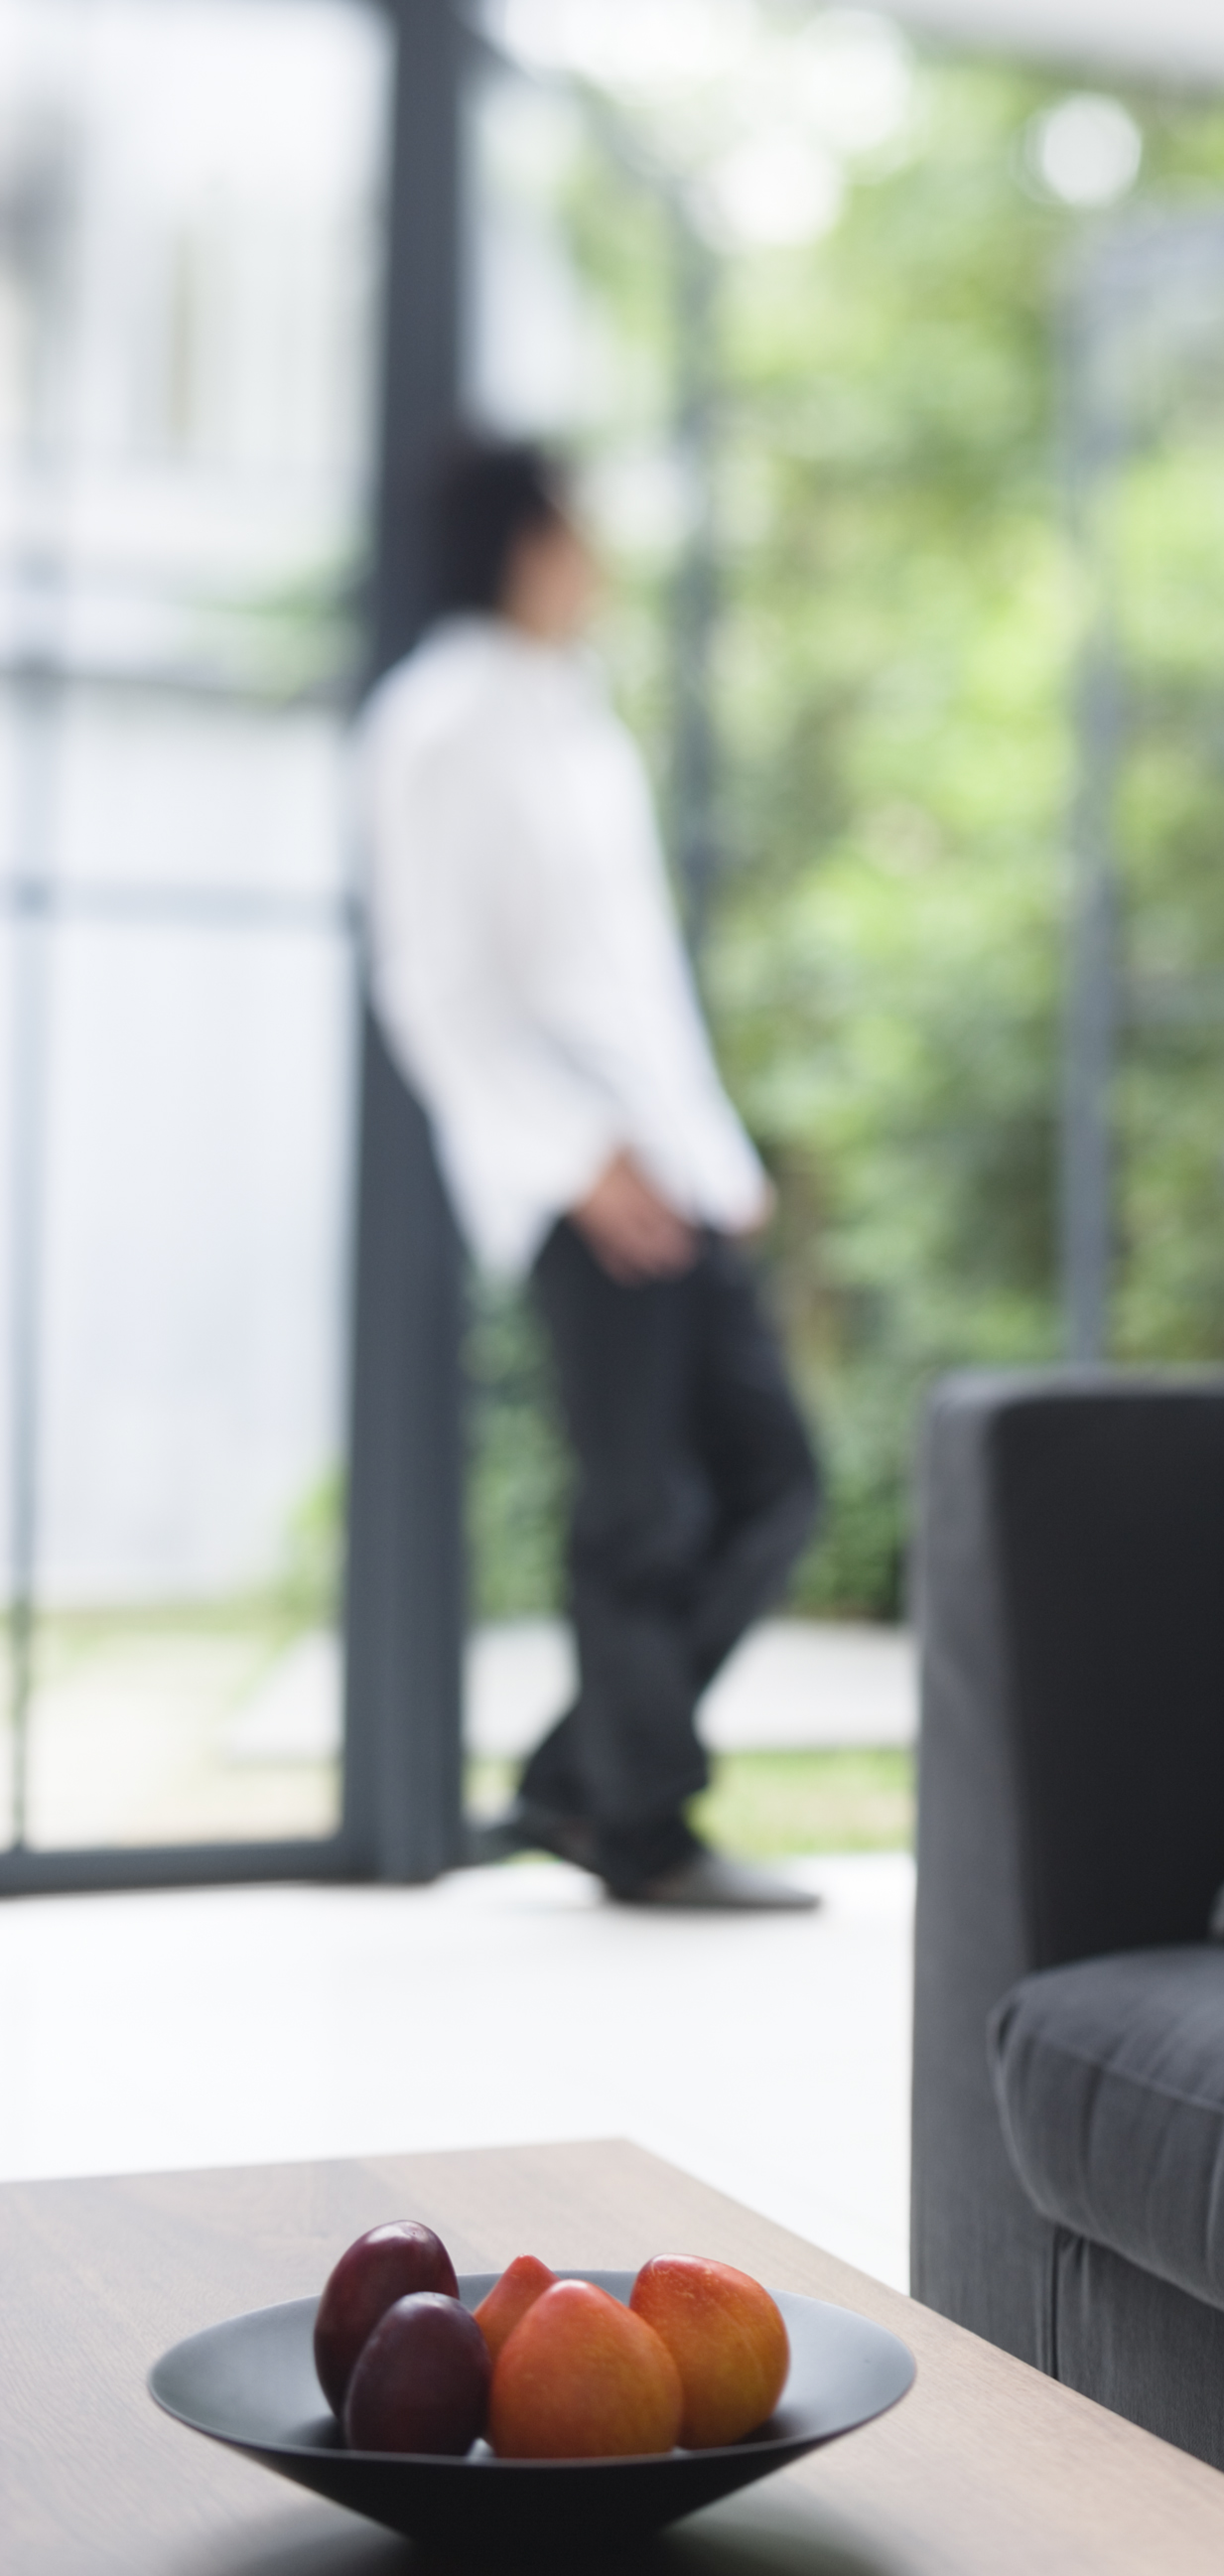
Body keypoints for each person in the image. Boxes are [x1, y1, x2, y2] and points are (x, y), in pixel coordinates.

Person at [356, 437, 821, 1910]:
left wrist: (711, 1151)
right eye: (579, 529)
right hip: (577, 1185)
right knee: (642, 1510)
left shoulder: (574, 712)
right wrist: (573, 1163)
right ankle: (641, 1827)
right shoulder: (437, 722)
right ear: (521, 539)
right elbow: (436, 988)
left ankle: (582, 1778)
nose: (599, 555)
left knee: (774, 1477)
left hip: (672, 1168)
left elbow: (634, 976)